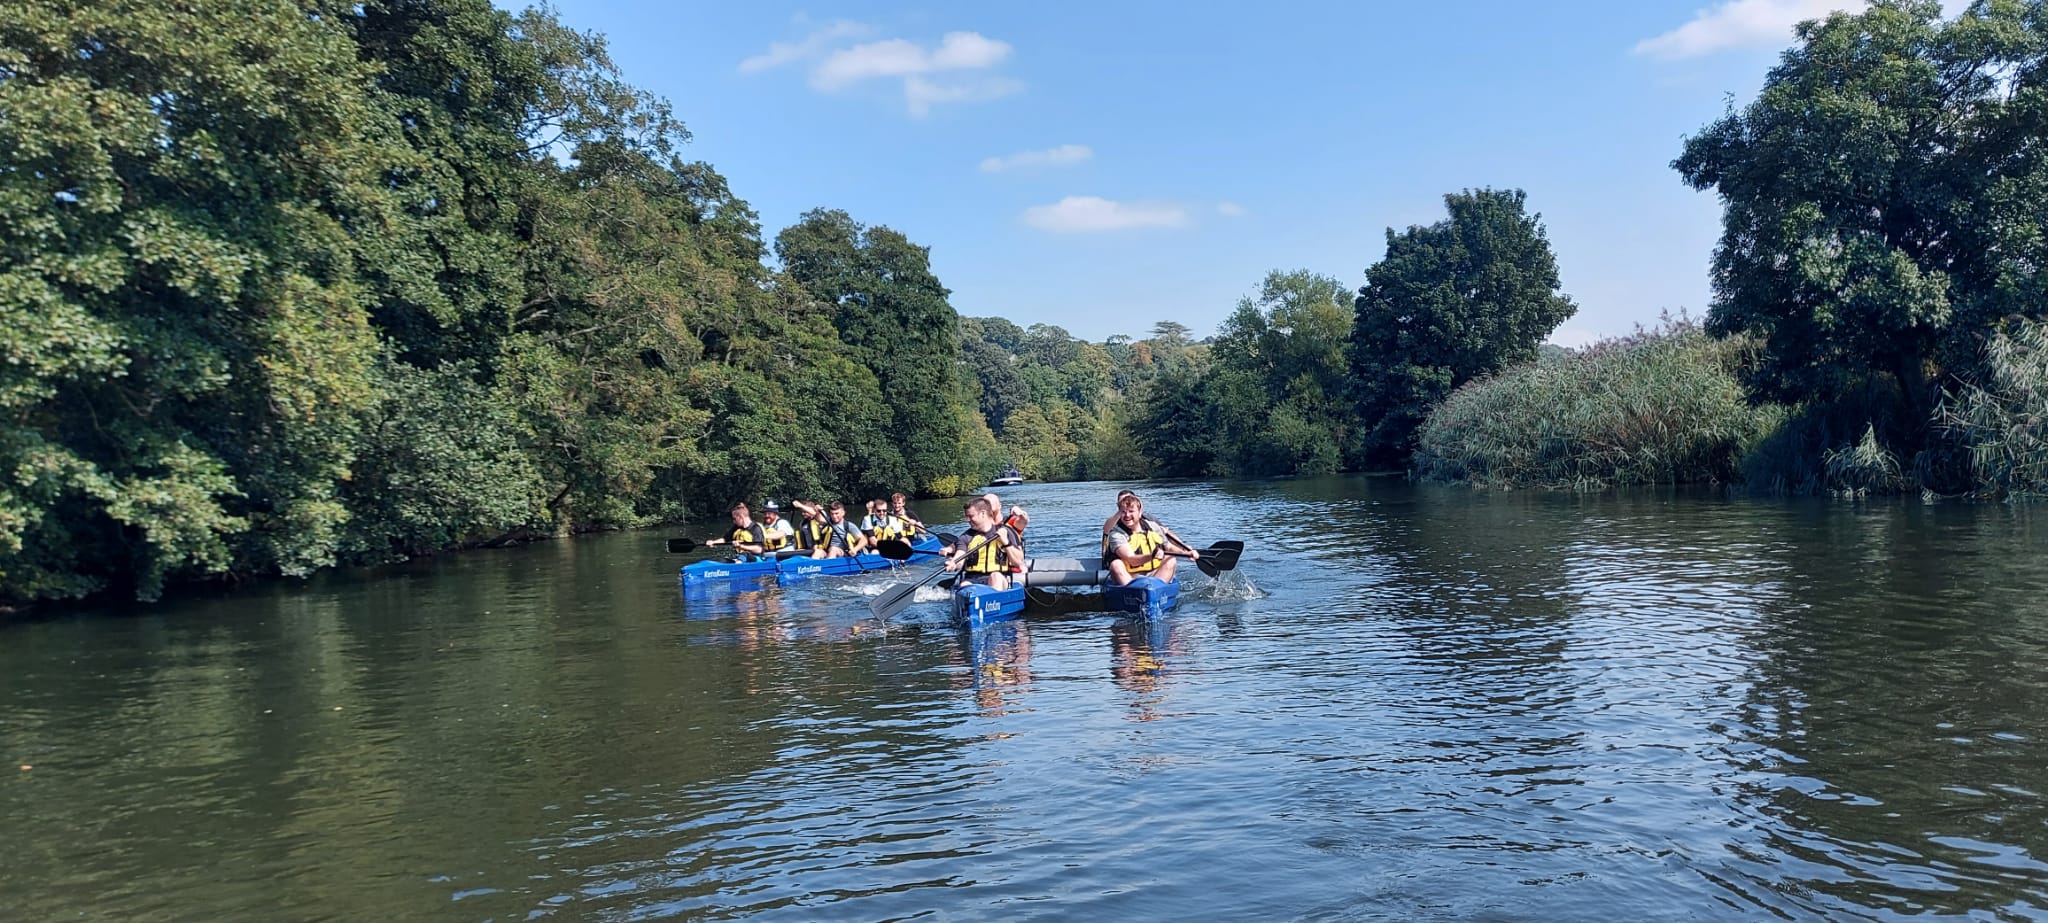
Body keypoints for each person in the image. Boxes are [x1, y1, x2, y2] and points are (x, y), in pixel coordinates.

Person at [1103, 492, 1187, 585]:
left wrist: (1186, 553)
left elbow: (1169, 546)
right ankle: (1134, 593)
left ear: (1139, 513)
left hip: (1154, 574)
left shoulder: (1152, 525)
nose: (1127, 515)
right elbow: (1131, 559)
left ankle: (1156, 590)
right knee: (1116, 564)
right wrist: (1152, 556)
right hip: (1129, 577)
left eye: (1131, 511)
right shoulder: (1116, 533)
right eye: (1123, 511)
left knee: (1171, 559)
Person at [946, 497, 1024, 590]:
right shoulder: (966, 537)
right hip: (972, 579)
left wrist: (1006, 542)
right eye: (967, 517)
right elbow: (960, 555)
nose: (968, 520)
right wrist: (953, 563)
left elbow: (1019, 562)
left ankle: (994, 599)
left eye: (971, 516)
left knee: (995, 577)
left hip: (1000, 577)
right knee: (964, 585)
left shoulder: (1006, 532)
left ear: (983, 513)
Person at [703, 502, 768, 561]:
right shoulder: (736, 527)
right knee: (722, 560)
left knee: (744, 554)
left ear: (741, 517)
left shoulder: (755, 529)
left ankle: (738, 567)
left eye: (734, 519)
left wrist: (741, 546)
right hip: (740, 558)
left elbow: (759, 549)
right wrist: (713, 542)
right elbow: (725, 539)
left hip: (756, 559)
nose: (733, 521)